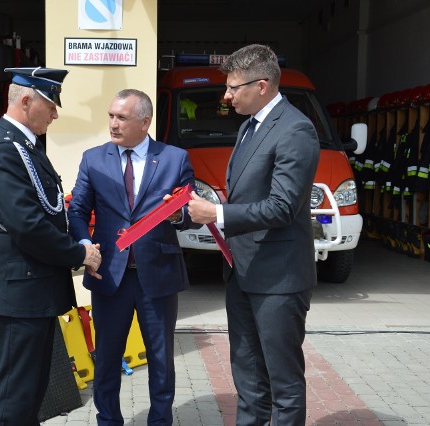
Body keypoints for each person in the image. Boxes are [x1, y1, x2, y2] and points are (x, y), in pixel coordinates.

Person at [186, 44, 320, 425]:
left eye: (232, 88)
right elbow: (249, 193)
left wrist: (218, 213)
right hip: (243, 273)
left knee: (283, 383)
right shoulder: (249, 126)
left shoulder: (296, 129)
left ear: (261, 85)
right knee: (248, 377)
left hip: (278, 279)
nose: (225, 96)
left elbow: (283, 207)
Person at [0, 66, 101, 426]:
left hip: (31, 293)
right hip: (19, 294)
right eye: (51, 104)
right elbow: (25, 225)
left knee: (29, 394)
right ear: (27, 100)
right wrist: (79, 254)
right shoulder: (6, 149)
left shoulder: (23, 147)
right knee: (13, 399)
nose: (56, 113)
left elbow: (46, 211)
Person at [67, 88, 199, 425]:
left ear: (145, 121)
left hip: (158, 275)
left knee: (160, 358)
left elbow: (189, 213)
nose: (113, 123)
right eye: (111, 115)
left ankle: (159, 420)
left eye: (121, 117)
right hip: (109, 275)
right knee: (108, 358)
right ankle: (108, 420)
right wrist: (85, 244)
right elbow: (77, 211)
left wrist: (176, 216)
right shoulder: (93, 158)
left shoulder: (175, 158)